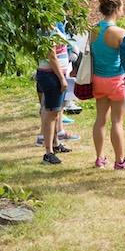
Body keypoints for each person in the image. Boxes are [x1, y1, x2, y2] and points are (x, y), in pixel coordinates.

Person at [90, 0, 125, 170]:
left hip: (98, 79)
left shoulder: (93, 29)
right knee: (117, 122)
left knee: (100, 119)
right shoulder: (119, 32)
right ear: (117, 9)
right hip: (117, 80)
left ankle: (99, 158)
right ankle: (120, 160)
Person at [37, 27, 71, 165]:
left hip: (56, 74)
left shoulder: (53, 27)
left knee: (56, 111)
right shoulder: (45, 30)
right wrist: (61, 79)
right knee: (51, 113)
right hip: (51, 75)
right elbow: (51, 56)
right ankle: (48, 152)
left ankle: (56, 144)